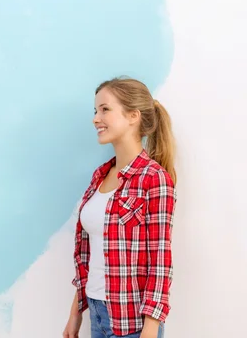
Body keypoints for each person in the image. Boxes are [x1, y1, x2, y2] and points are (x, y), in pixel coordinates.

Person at [63, 77, 177, 338]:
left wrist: (150, 331)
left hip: (133, 324)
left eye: (105, 109)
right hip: (96, 313)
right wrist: (75, 314)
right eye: (95, 111)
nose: (95, 119)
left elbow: (160, 261)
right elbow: (88, 257)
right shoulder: (99, 177)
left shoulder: (153, 178)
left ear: (133, 116)